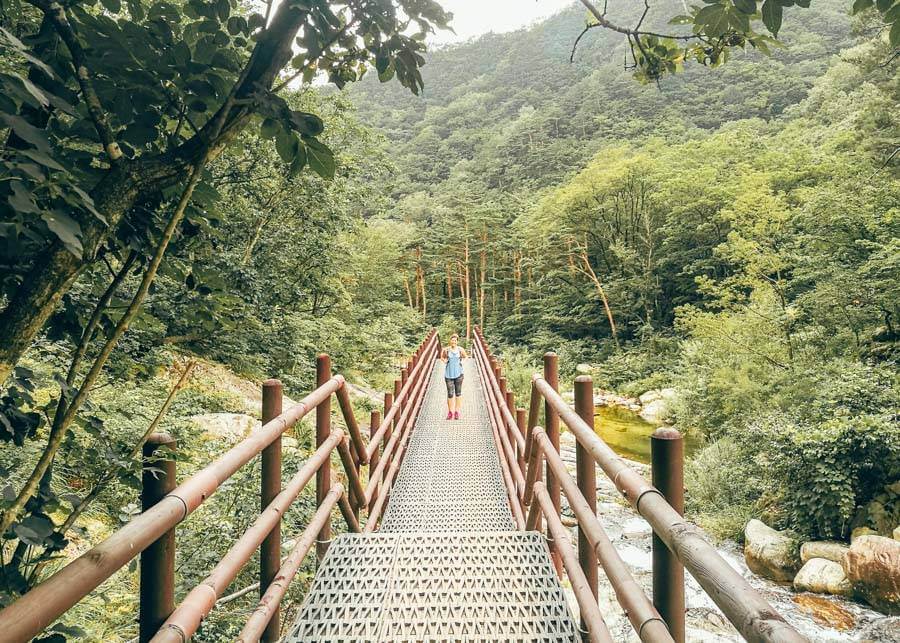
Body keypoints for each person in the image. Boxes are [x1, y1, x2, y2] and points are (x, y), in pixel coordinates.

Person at [441, 334, 468, 420]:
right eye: (452, 340)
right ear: (450, 341)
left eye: (455, 340)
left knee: (458, 393)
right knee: (450, 394)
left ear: (457, 341)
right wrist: (444, 361)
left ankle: (457, 412)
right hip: (448, 375)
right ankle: (450, 412)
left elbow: (466, 357)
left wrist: (462, 362)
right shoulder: (446, 350)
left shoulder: (460, 350)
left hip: (459, 374)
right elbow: (441, 357)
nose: (453, 342)